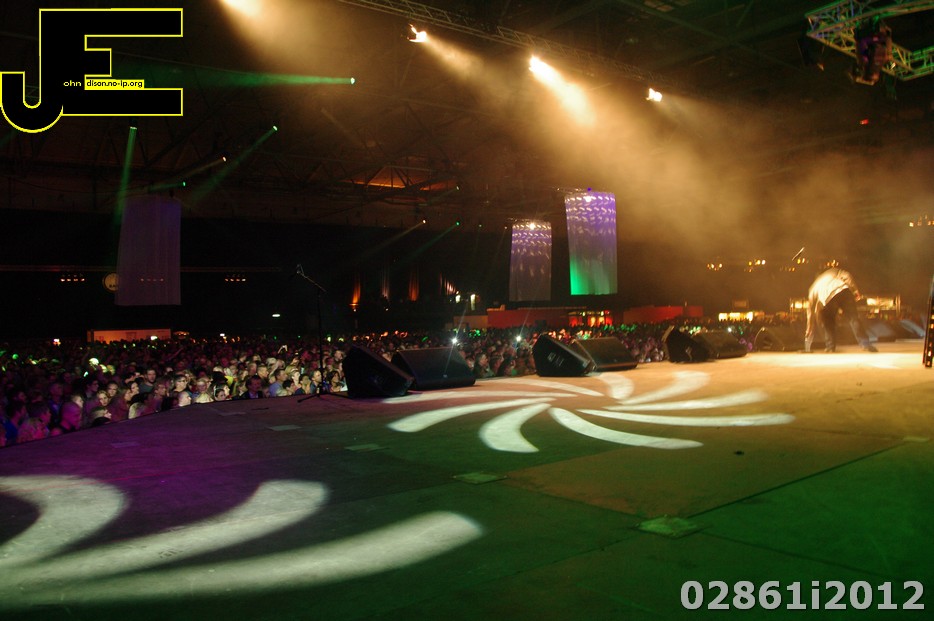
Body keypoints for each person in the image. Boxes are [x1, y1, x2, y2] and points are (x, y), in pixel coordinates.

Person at [805, 266, 877, 353]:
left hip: (827, 299)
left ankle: (830, 347)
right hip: (843, 291)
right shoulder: (832, 271)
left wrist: (809, 327)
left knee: (828, 322)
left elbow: (810, 310)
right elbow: (847, 276)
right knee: (853, 318)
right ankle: (865, 344)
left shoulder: (813, 288)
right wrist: (855, 290)